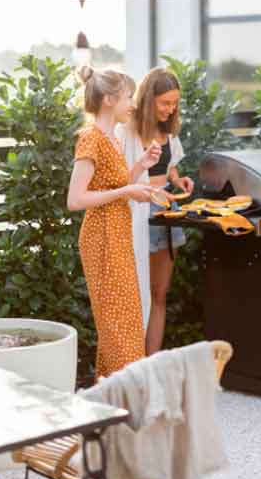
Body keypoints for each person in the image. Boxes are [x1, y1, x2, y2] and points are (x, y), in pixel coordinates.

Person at [66, 66, 161, 381]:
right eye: (128, 97)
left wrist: (140, 167)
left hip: (117, 234)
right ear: (108, 100)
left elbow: (112, 186)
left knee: (127, 318)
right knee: (117, 323)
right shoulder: (91, 139)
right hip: (101, 236)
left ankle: (111, 399)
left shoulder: (112, 138)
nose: (133, 104)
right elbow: (76, 199)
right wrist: (127, 190)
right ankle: (127, 397)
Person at [119, 68, 193, 355]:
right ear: (148, 100)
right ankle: (132, 360)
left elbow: (170, 165)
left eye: (174, 103)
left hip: (166, 211)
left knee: (159, 293)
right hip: (139, 211)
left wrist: (178, 180)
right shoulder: (126, 131)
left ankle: (151, 362)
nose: (170, 109)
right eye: (164, 103)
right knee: (137, 294)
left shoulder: (168, 134)